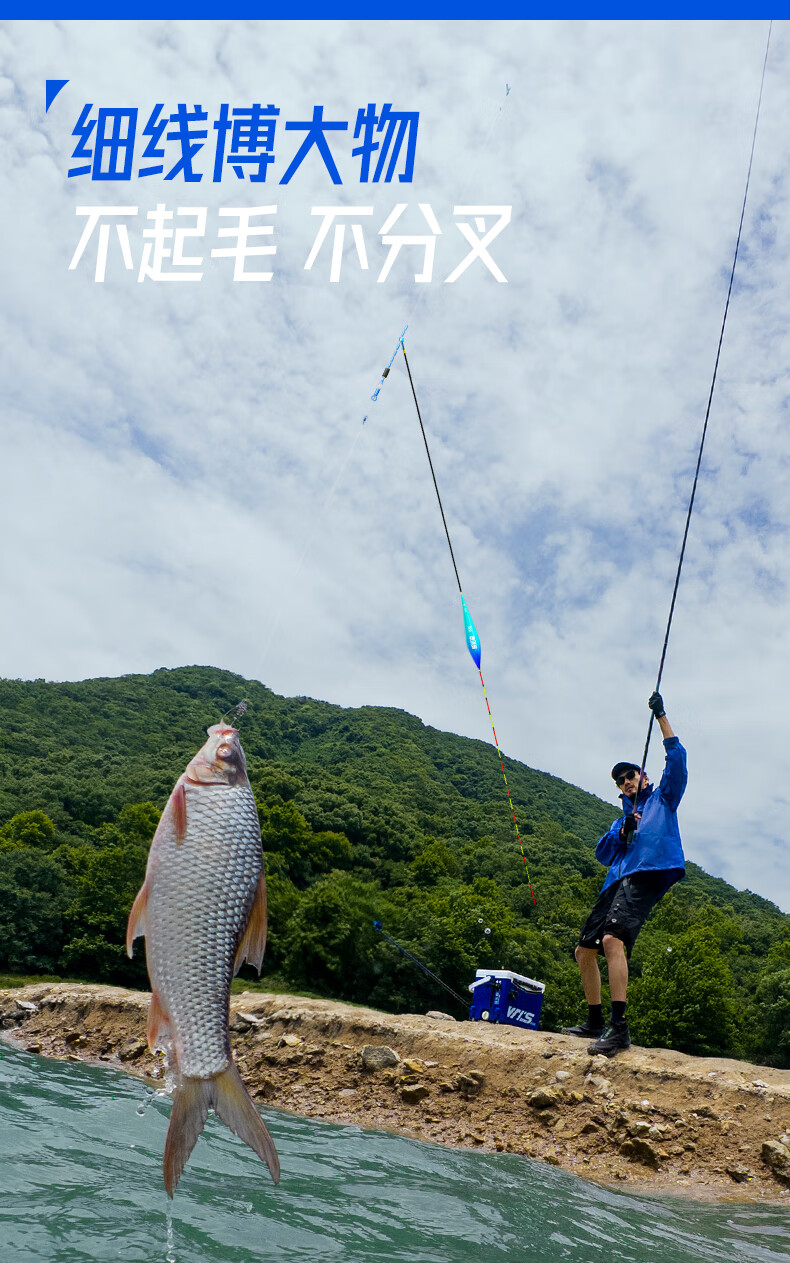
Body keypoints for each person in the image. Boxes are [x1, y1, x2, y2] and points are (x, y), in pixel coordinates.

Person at [563, 692, 687, 1057]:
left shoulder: (663, 799)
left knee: (612, 940)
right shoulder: (622, 820)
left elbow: (678, 760)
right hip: (615, 881)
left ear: (643, 776)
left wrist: (661, 716)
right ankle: (595, 1021)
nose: (626, 781)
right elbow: (602, 853)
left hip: (647, 874)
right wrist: (622, 831)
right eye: (620, 780)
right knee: (584, 951)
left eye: (630, 775)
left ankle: (619, 1029)